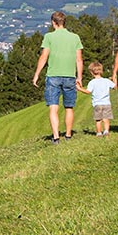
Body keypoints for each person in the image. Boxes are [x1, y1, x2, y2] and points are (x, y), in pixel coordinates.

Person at [32, 11, 84, 144]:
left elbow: (44, 57)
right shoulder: (75, 37)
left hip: (53, 75)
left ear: (53, 22)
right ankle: (68, 135)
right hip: (70, 76)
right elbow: (79, 60)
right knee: (69, 107)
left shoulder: (49, 37)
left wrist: (37, 74)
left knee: (53, 107)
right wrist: (79, 77)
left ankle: (56, 137)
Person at [78, 61, 115, 137]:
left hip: (97, 104)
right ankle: (106, 131)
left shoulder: (92, 82)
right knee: (106, 119)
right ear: (101, 71)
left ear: (91, 72)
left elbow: (88, 91)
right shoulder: (106, 81)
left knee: (98, 120)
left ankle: (99, 133)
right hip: (106, 103)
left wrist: (79, 89)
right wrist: (115, 79)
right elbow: (114, 87)